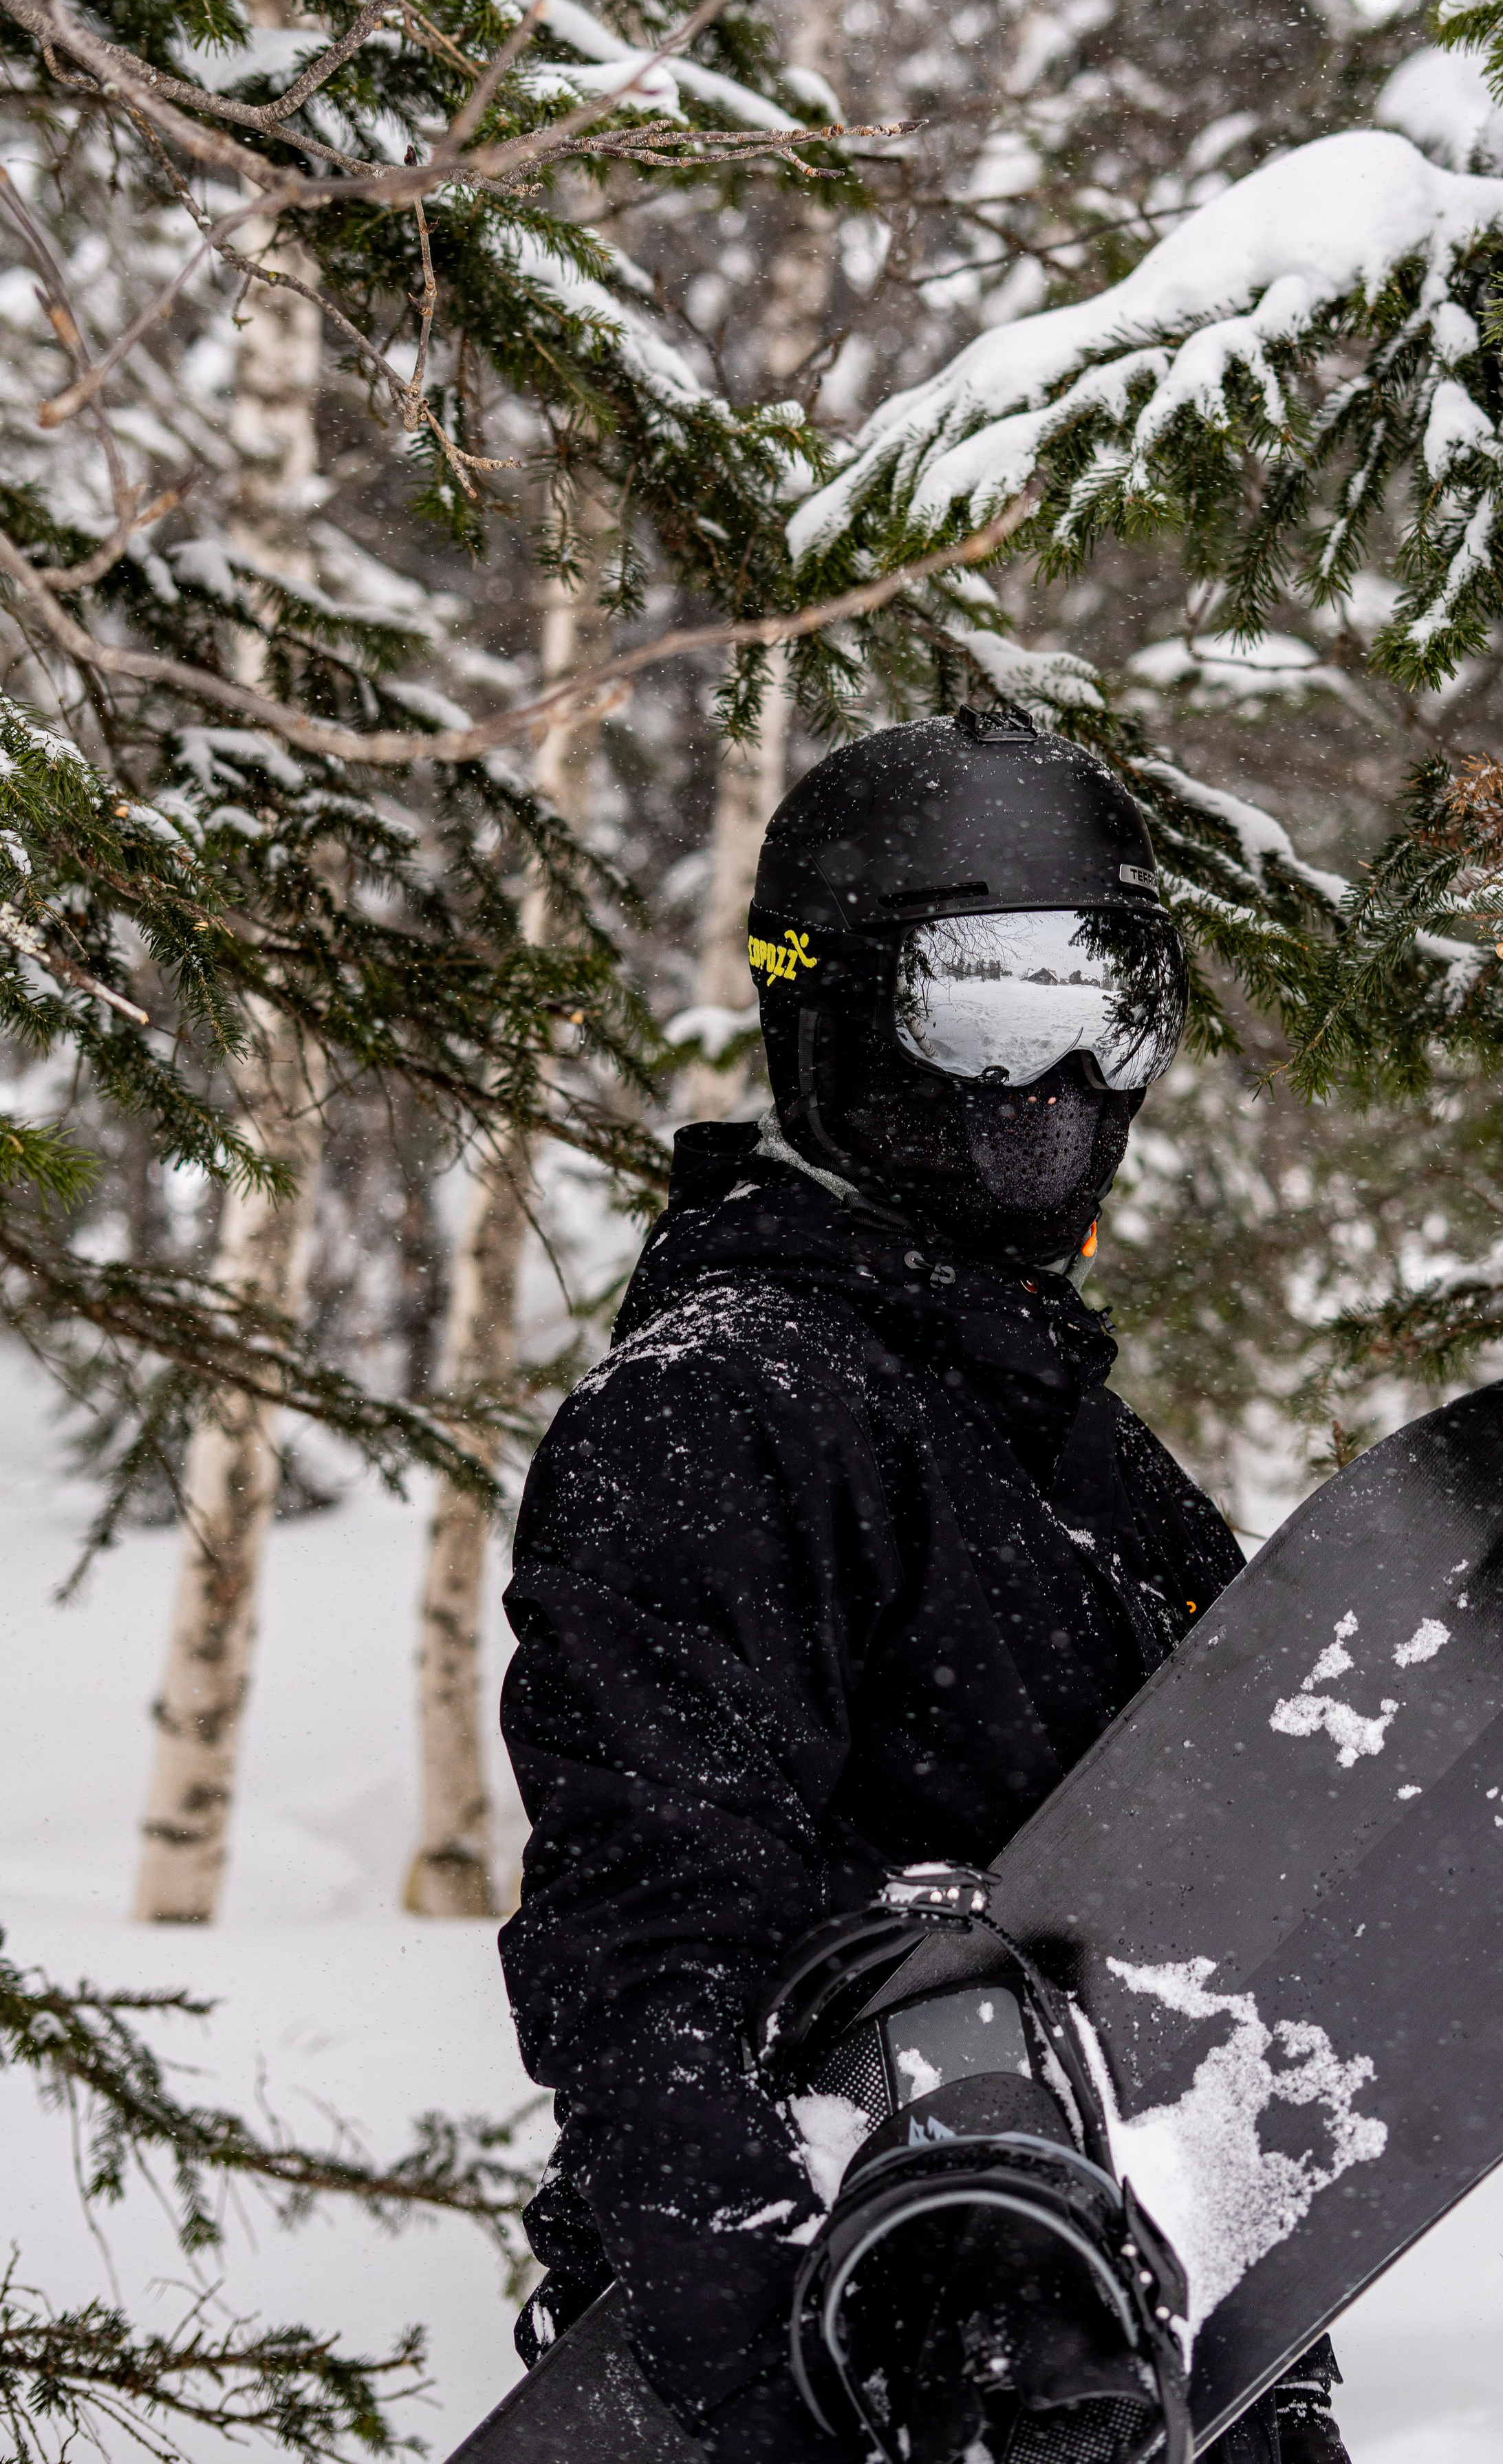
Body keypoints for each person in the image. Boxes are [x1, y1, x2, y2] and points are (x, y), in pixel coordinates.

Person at [497, 706, 1351, 2464]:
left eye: (1102, 1008)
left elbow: (1217, 1874)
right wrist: (791, 2364)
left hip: (1116, 2345)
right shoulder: (722, 1403)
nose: (1042, 1086)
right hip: (897, 2351)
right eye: (976, 1007)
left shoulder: (1060, 1436)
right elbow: (646, 1946)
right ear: (823, 1015)